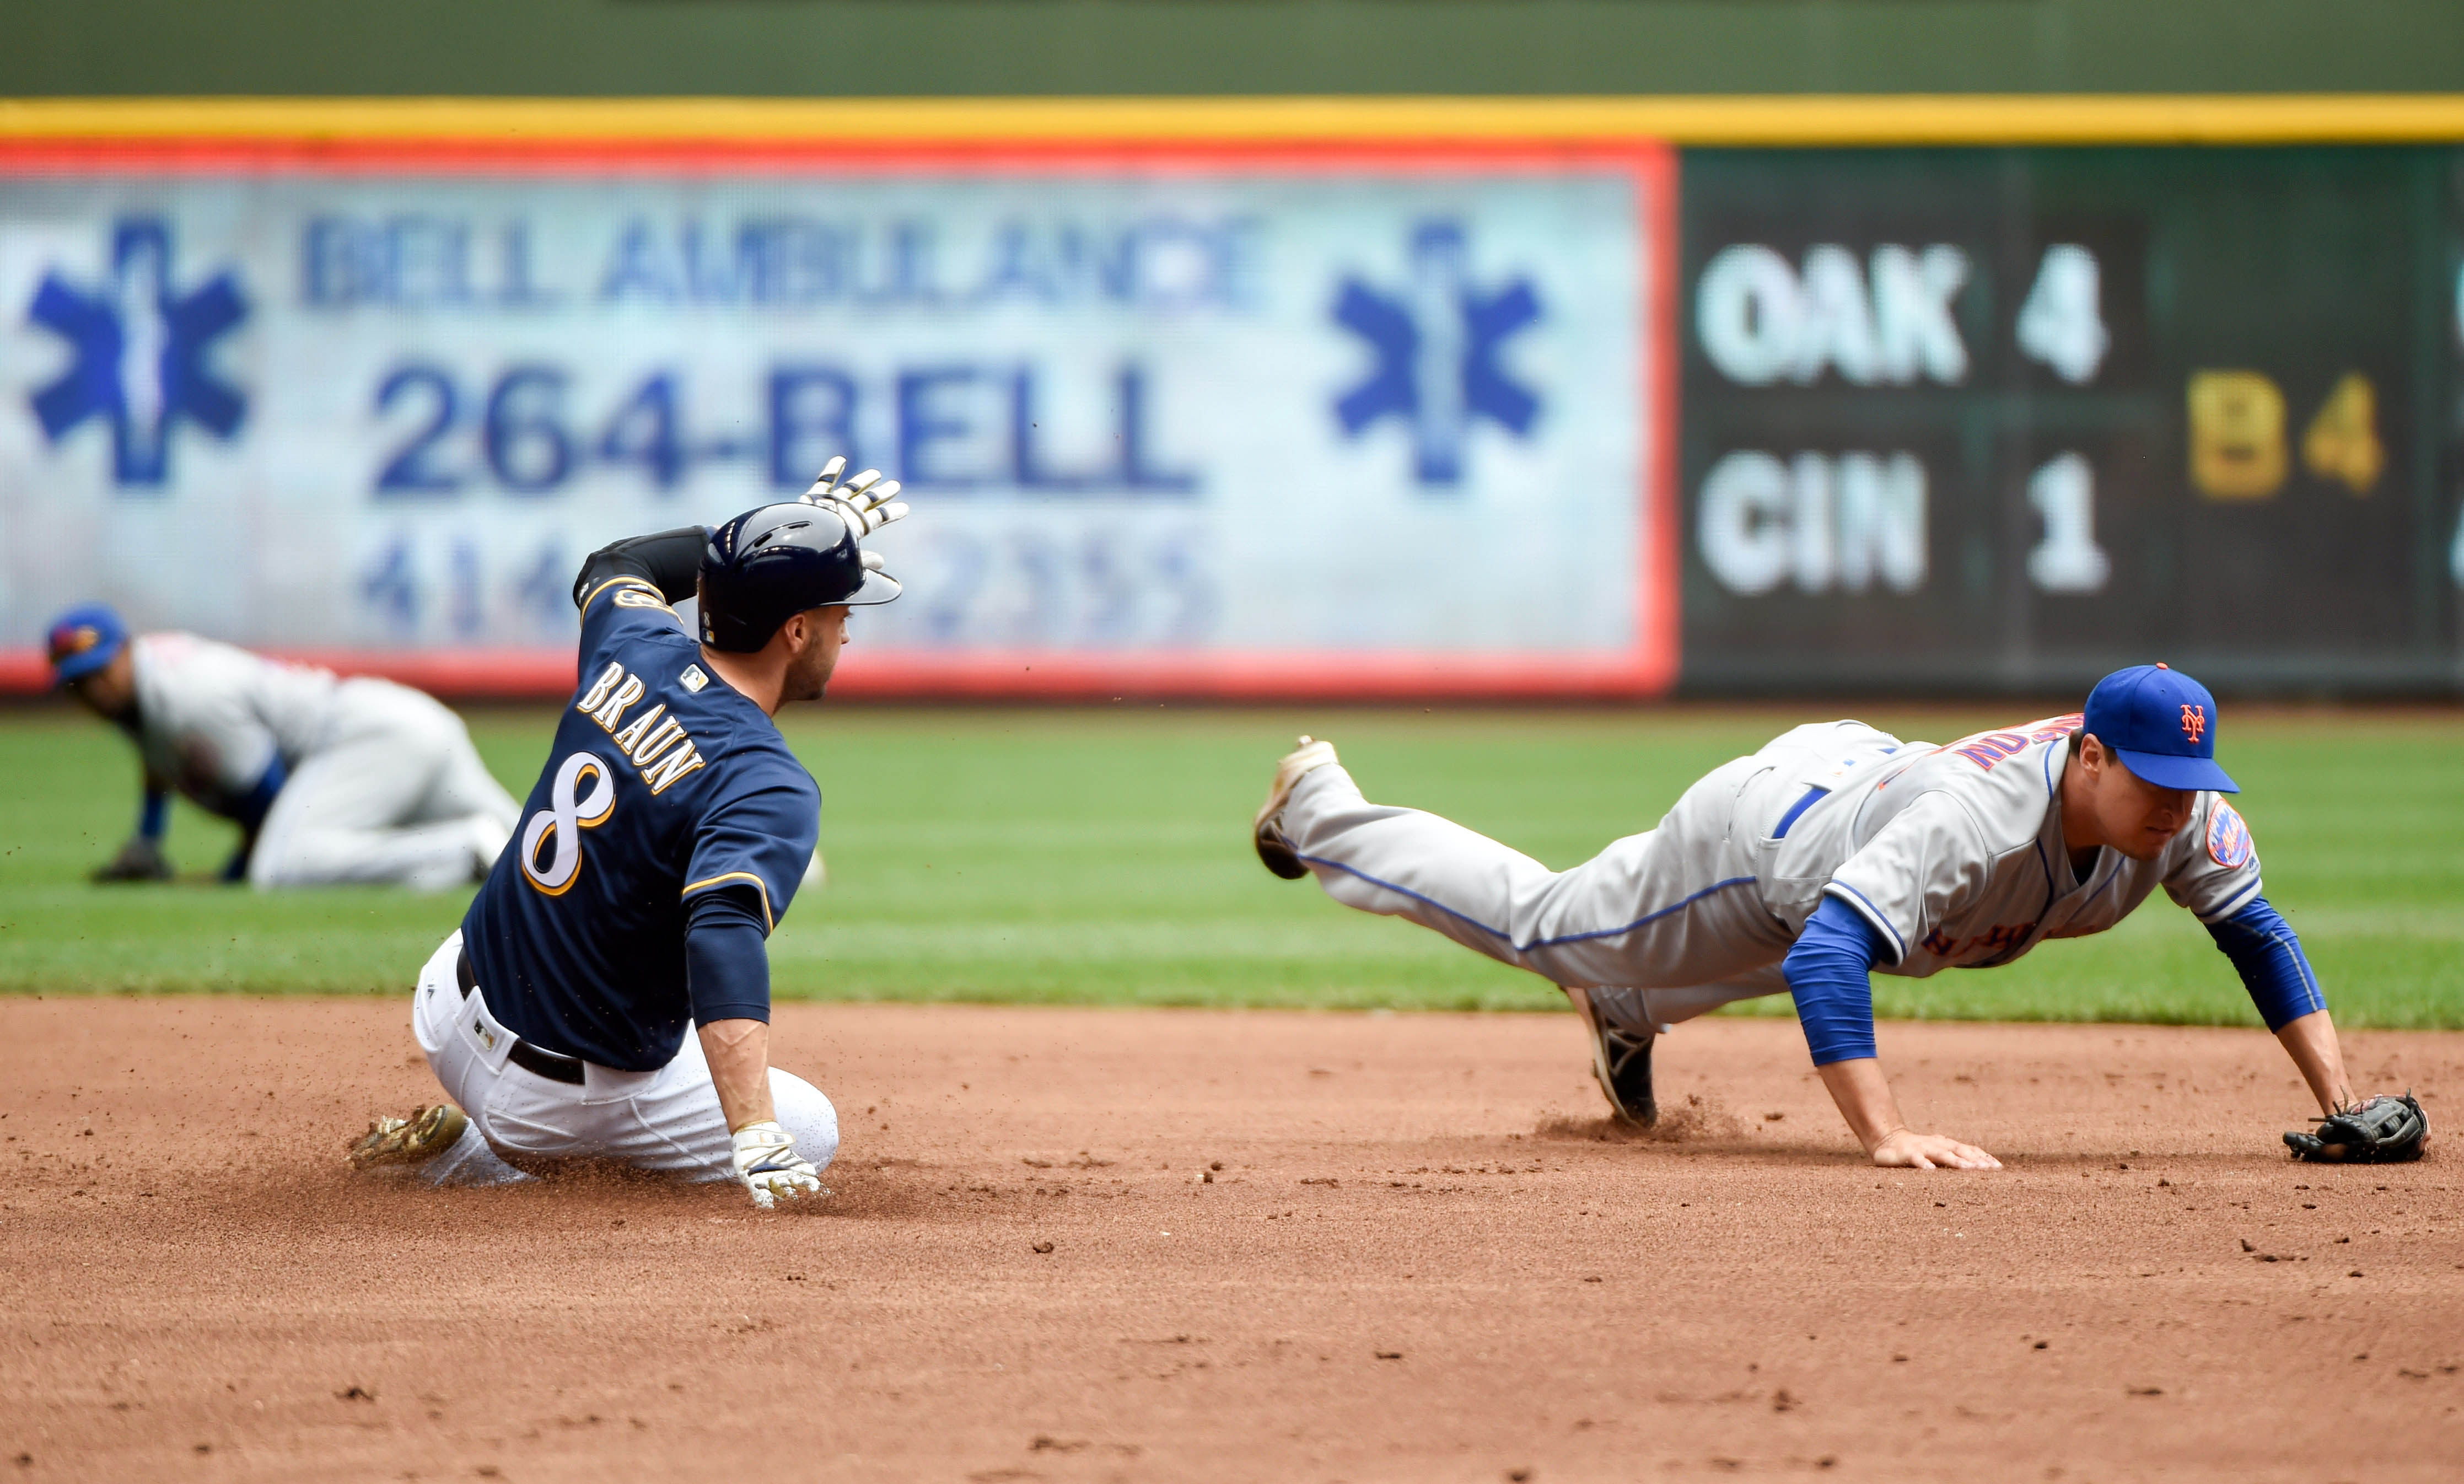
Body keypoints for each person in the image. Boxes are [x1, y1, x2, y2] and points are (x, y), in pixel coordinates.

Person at [1251, 665, 2368, 1171]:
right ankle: (1323, 809)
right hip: (1764, 835)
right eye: (2156, 775)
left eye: (2193, 774)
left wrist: (2344, 1104)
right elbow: (1831, 949)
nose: (2179, 799)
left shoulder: (2189, 816)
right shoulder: (1976, 821)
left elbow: (2256, 935)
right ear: (2089, 755)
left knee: (1815, 939)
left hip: (1860, 798)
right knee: (1550, 925)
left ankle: (1629, 1008)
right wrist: (1884, 1136)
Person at [348, 461, 906, 1207]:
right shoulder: (766, 780)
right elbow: (720, 932)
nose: (847, 624)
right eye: (839, 608)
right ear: (796, 630)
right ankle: (480, 1156)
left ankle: (484, 1128)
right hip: (546, 1101)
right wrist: (754, 1133)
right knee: (810, 1127)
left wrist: (757, 554)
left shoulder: (635, 643)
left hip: (446, 1006)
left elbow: (616, 565)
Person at [46, 604, 518, 890]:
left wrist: (227, 881)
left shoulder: (186, 696)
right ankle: (485, 851)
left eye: (100, 672)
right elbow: (156, 764)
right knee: (539, 855)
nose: (96, 690)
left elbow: (268, 804)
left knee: (282, 865)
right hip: (404, 725)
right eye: (80, 684)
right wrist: (148, 842)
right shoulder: (149, 686)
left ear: (126, 650)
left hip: (365, 739)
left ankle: (461, 850)